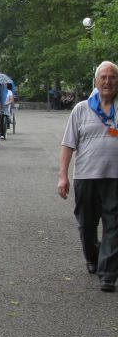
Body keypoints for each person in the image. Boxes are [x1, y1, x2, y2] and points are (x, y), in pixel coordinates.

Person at [58, 61, 118, 290]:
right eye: (103, 77)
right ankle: (93, 257)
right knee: (86, 224)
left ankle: (108, 274)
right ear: (95, 81)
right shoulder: (81, 109)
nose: (107, 81)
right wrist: (63, 176)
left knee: (114, 225)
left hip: (115, 178)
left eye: (112, 77)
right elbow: (67, 145)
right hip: (86, 177)